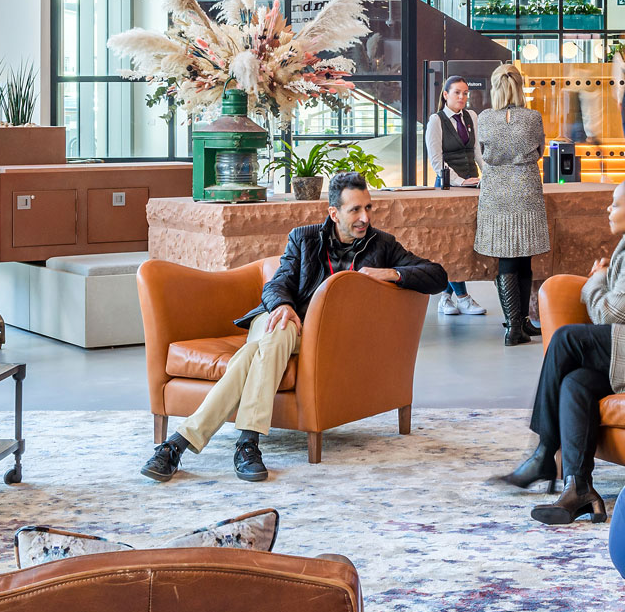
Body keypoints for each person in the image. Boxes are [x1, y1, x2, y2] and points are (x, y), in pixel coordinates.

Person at [142, 172, 447, 484]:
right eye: (355, 210)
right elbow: (277, 284)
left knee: (254, 353)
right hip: (280, 320)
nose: (364, 218)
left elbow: (437, 275)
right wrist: (283, 305)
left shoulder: (383, 246)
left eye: (368, 208)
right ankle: (246, 443)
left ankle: (175, 446)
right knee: (279, 332)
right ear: (334, 213)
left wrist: (391, 273)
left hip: (321, 336)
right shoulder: (303, 238)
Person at [494, 171, 625, 526]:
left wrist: (594, 282)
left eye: (616, 204)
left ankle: (545, 452)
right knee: (575, 382)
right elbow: (623, 300)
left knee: (567, 339)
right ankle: (578, 486)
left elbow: (611, 314)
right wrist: (603, 279)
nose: (608, 210)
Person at [474, 61, 549, 345]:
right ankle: (518, 326)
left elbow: (482, 152)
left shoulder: (484, 118)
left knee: (505, 256)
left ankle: (516, 325)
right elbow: (540, 150)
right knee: (525, 257)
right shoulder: (532, 118)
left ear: (495, 87)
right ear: (520, 87)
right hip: (526, 189)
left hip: (496, 193)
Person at [425, 74, 487, 318]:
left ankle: (445, 297)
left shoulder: (471, 117)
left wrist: (486, 176)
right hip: (449, 188)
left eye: (465, 93)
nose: (462, 97)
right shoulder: (436, 121)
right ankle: (462, 297)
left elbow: (477, 153)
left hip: (473, 186)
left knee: (465, 242)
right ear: (445, 95)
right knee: (453, 242)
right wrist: (462, 181)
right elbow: (436, 161)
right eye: (457, 93)